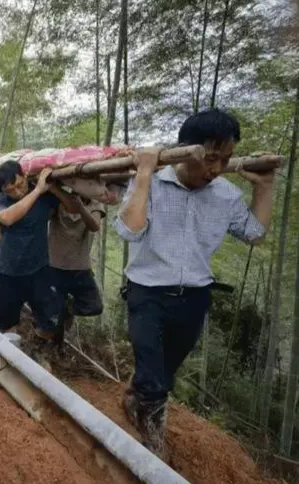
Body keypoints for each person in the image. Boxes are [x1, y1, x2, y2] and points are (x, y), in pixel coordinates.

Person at [114, 108, 275, 457]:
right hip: (147, 294)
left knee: (164, 370)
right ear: (186, 150)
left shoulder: (225, 195)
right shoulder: (151, 182)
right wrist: (143, 173)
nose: (216, 169)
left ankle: (134, 397)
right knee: (156, 380)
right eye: (211, 158)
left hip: (195, 297)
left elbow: (254, 233)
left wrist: (265, 186)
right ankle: (153, 447)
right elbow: (130, 229)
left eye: (226, 160)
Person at [0, 162, 79, 338]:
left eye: (19, 185)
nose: (17, 191)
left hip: (39, 269)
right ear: (2, 190)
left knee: (50, 321)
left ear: (24, 176)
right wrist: (37, 190)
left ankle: (43, 348)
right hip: (8, 271)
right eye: (10, 190)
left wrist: (53, 190)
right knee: (5, 325)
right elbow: (7, 218)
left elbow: (73, 208)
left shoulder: (45, 195)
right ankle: (10, 354)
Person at [47, 191, 116, 350]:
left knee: (94, 306)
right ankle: (56, 349)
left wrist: (80, 208)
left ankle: (68, 307)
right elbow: (46, 215)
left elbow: (94, 226)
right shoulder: (59, 201)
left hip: (80, 267)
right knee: (55, 316)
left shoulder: (94, 204)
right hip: (55, 267)